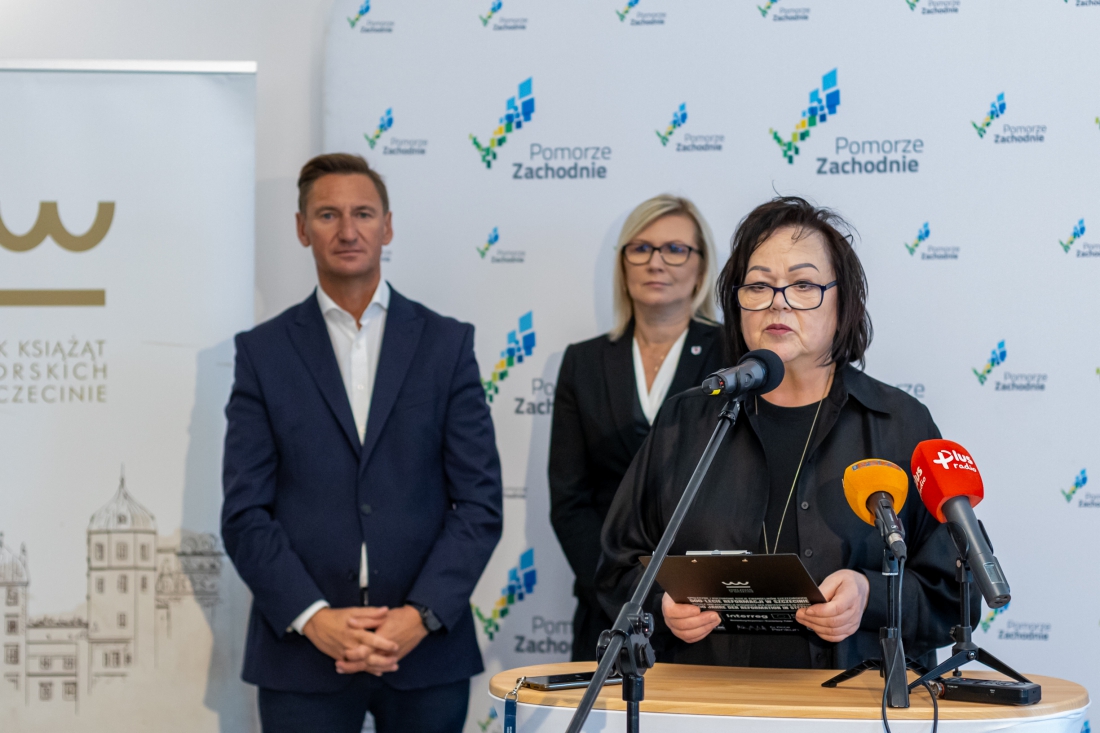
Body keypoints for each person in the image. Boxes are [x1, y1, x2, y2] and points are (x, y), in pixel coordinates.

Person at [596, 196, 973, 671]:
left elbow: (955, 596)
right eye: (758, 285)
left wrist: (870, 595)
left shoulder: (899, 424)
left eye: (803, 284)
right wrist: (660, 607)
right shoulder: (686, 420)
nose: (778, 301)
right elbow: (617, 567)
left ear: (843, 301)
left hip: (856, 702)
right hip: (708, 701)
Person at [221, 153, 502, 733]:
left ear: (387, 226)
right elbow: (245, 512)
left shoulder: (446, 345)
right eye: (328, 215)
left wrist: (419, 616)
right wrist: (313, 618)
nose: (347, 231)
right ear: (302, 229)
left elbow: (479, 504)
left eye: (363, 214)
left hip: (425, 650)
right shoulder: (262, 353)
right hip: (302, 653)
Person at [549, 194, 725, 662]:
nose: (655, 262)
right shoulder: (584, 362)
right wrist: (623, 589)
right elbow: (569, 500)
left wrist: (686, 596)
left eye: (675, 249)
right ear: (623, 263)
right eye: (641, 248)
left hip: (705, 616)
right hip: (608, 610)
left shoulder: (734, 358)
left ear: (701, 267)